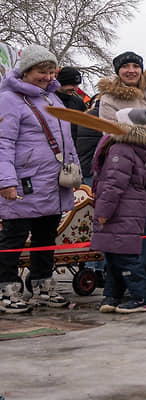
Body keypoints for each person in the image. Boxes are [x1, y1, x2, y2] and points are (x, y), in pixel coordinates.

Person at [0, 45, 78, 313]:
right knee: (15, 236)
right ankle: (6, 287)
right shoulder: (9, 99)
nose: (47, 76)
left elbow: (66, 139)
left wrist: (74, 169)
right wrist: (6, 181)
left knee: (46, 235)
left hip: (53, 182)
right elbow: (3, 143)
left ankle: (42, 282)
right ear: (26, 71)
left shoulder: (53, 98)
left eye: (50, 71)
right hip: (24, 181)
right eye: (41, 72)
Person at [97, 51, 146, 275]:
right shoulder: (109, 98)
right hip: (125, 171)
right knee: (125, 227)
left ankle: (140, 275)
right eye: (125, 66)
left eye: (135, 66)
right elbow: (110, 131)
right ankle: (119, 276)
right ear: (118, 71)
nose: (131, 70)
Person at [91, 108, 146, 314]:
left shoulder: (121, 149)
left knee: (125, 258)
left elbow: (113, 184)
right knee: (114, 257)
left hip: (121, 210)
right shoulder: (126, 147)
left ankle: (142, 297)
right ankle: (112, 295)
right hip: (126, 209)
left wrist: (103, 212)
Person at [55, 66, 86, 146]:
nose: (75, 89)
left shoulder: (79, 103)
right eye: (72, 85)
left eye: (77, 85)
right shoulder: (47, 99)